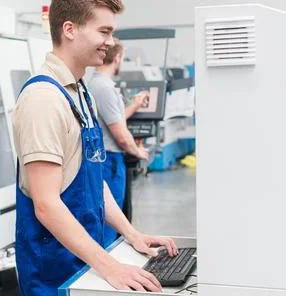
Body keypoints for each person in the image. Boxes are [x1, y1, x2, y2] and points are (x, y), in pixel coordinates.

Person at [12, 1, 178, 295]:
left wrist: (131, 233)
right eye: (104, 31)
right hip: (54, 273)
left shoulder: (80, 93)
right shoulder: (44, 98)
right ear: (70, 30)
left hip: (83, 262)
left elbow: (93, 179)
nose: (110, 43)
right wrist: (110, 266)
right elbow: (46, 205)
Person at [88, 38, 150, 246]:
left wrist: (134, 105)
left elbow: (114, 118)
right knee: (111, 220)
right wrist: (138, 151)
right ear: (116, 58)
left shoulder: (97, 84)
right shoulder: (104, 87)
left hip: (106, 158)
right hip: (110, 161)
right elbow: (121, 136)